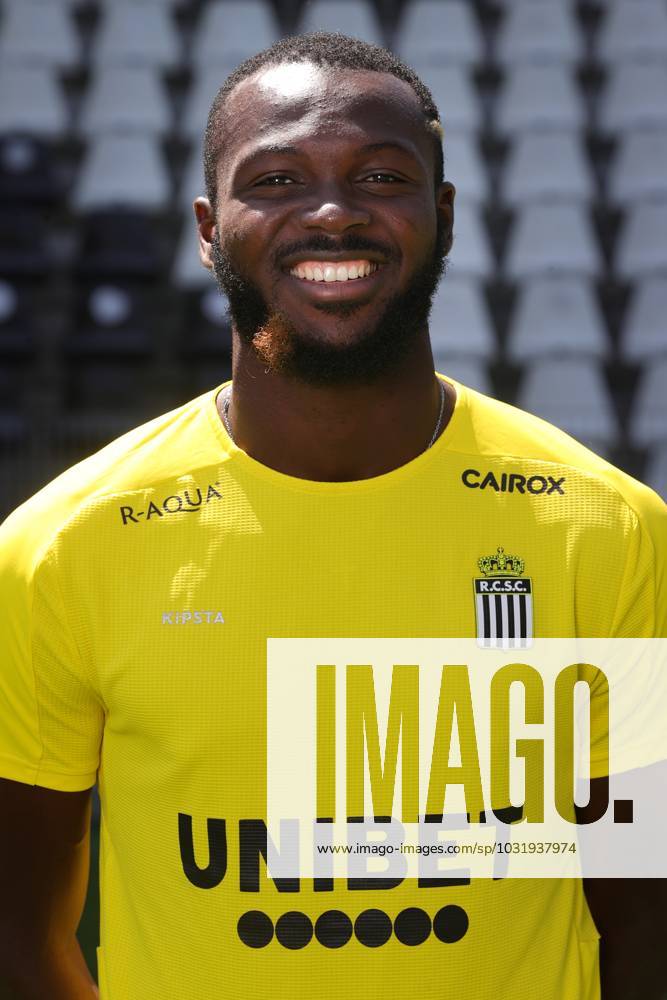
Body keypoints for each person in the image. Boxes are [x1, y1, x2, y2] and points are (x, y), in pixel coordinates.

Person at [0, 31, 665, 1000]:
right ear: (205, 225)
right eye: (273, 180)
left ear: (441, 215)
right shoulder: (58, 550)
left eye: (379, 175)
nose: (330, 213)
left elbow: (644, 916)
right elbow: (18, 932)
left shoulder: (603, 529)